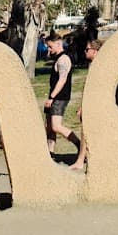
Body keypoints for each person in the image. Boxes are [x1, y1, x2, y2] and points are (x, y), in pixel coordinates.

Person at [43, 33, 84, 162]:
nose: (49, 49)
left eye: (50, 47)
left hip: (60, 97)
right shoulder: (57, 58)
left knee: (56, 126)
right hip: (54, 96)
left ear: (58, 44)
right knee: (49, 127)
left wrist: (52, 97)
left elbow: (62, 80)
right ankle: (50, 153)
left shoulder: (64, 59)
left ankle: (79, 144)